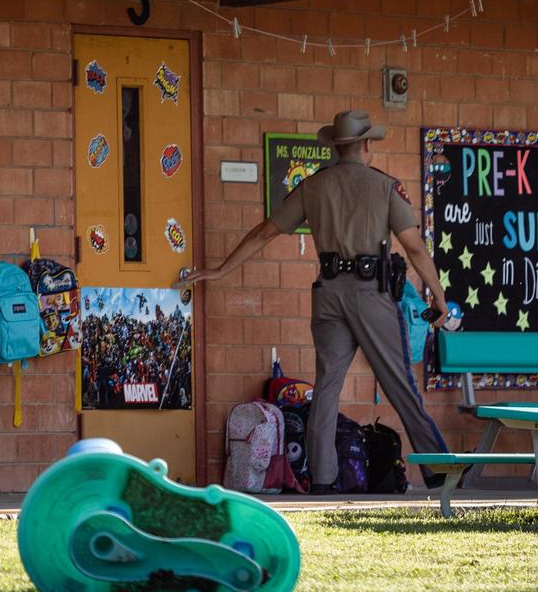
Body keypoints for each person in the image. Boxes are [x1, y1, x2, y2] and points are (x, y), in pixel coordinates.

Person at [183, 110, 451, 494]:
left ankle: (323, 479)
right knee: (399, 382)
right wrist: (439, 297)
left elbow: (264, 232)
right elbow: (414, 249)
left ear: (337, 146)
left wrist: (220, 270)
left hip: (328, 294)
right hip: (370, 293)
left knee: (326, 388)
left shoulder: (313, 186)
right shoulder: (384, 187)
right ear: (366, 144)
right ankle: (439, 469)